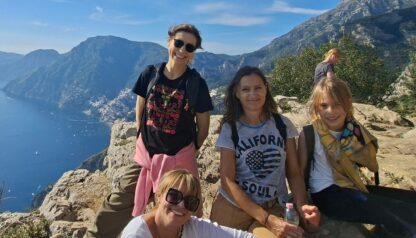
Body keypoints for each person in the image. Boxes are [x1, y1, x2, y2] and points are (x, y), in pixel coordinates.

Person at [87, 24, 214, 238]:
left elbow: (203, 127)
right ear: (169, 42)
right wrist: (141, 138)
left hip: (178, 162)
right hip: (146, 158)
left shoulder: (196, 84)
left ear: (193, 53)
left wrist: (188, 151)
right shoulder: (150, 73)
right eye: (179, 43)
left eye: (189, 47)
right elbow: (140, 107)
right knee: (117, 204)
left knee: (181, 214)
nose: (182, 50)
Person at [298, 77, 416, 238]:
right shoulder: (310, 134)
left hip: (353, 187)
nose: (330, 111)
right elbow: (298, 173)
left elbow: (369, 162)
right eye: (324, 106)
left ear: (348, 104)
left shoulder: (354, 130)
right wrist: (303, 206)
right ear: (316, 107)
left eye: (337, 104)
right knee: (409, 213)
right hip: (328, 195)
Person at [210, 66, 320, 238]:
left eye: (258, 88)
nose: (253, 94)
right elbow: (227, 181)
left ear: (266, 89)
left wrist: (302, 206)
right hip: (235, 207)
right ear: (236, 94)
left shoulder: (282, 125)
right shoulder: (230, 129)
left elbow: (294, 173)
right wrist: (266, 219)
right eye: (245, 89)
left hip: (273, 205)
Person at [121, 169, 256, 238]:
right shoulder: (137, 234)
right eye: (174, 196)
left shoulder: (192, 227)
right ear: (159, 195)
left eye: (190, 202)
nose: (181, 205)